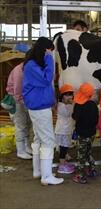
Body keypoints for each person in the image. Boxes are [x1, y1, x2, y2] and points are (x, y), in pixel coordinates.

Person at [22, 37, 64, 185]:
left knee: (39, 139)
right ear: (44, 49)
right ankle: (46, 176)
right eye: (50, 50)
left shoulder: (32, 65)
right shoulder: (32, 66)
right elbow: (47, 79)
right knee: (48, 141)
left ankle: (38, 171)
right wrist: (49, 59)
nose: (51, 54)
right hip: (39, 108)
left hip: (38, 107)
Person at [72, 83, 99, 184]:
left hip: (81, 134)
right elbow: (96, 120)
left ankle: (80, 175)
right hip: (92, 133)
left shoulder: (78, 105)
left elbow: (75, 117)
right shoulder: (93, 105)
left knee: (81, 155)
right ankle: (92, 170)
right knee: (89, 152)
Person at [6, 61, 32, 160]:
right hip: (17, 100)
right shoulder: (19, 71)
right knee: (20, 124)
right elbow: (17, 92)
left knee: (27, 123)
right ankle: (20, 150)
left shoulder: (26, 68)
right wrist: (25, 104)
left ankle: (26, 146)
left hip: (25, 99)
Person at [55, 84, 75, 174]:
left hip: (67, 129)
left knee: (65, 145)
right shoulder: (61, 106)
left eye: (70, 94)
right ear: (62, 97)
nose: (69, 97)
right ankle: (62, 164)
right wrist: (72, 104)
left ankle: (64, 157)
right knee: (63, 146)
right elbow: (68, 114)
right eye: (66, 95)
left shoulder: (68, 104)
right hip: (63, 130)